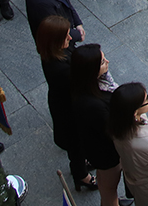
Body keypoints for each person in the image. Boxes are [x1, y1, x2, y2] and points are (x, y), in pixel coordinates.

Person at [36, 15, 94, 192]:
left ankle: (82, 164)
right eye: (66, 36)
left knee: (78, 144)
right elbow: (79, 85)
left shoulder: (54, 52)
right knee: (75, 145)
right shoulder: (60, 69)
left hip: (65, 105)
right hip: (68, 112)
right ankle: (82, 176)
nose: (70, 38)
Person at [71, 43, 122, 206]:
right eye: (102, 62)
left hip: (98, 151)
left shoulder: (88, 87)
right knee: (109, 192)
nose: (107, 62)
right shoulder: (93, 104)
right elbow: (113, 130)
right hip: (106, 155)